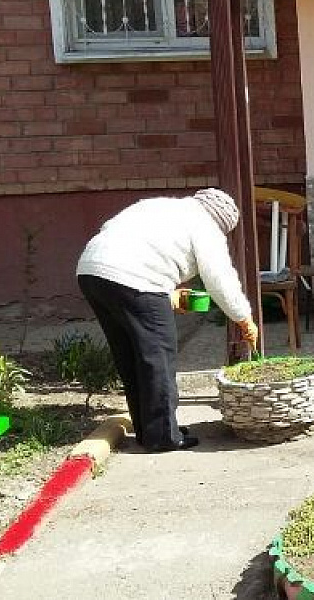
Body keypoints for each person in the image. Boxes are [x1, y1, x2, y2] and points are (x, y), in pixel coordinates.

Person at [76, 188, 259, 452]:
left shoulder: (163, 207)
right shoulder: (206, 225)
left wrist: (167, 294)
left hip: (92, 272)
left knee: (130, 355)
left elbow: (125, 239)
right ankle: (163, 436)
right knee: (158, 355)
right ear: (223, 224)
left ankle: (149, 430)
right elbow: (219, 279)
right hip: (134, 279)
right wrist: (244, 318)